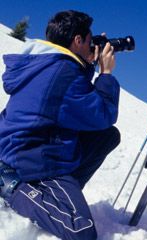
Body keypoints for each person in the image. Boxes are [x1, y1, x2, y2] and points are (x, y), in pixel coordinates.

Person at [0, 10, 120, 239]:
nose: (91, 46)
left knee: (107, 136)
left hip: (21, 144)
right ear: (77, 40)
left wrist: (87, 65)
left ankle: (62, 193)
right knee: (81, 231)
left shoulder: (48, 63)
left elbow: (75, 105)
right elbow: (103, 113)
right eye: (89, 40)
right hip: (30, 157)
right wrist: (105, 73)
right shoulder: (64, 73)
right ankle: (13, 187)